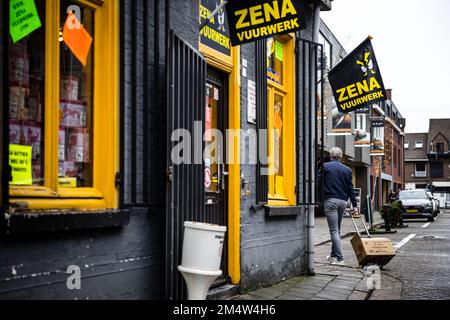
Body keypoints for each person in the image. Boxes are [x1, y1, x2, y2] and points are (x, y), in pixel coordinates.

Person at [319, 147, 358, 266]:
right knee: (337, 229)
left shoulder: (325, 167)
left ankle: (340, 259)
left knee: (334, 230)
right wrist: (355, 205)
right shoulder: (347, 170)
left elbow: (317, 181)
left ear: (330, 156)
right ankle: (333, 256)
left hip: (330, 201)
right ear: (341, 156)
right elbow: (350, 188)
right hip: (343, 202)